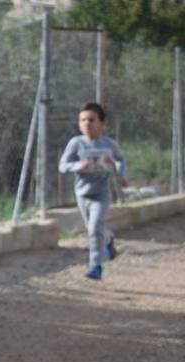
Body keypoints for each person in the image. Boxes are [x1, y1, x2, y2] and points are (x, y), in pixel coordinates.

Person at [58, 102, 128, 280]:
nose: (86, 124)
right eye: (82, 120)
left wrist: (121, 175)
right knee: (93, 227)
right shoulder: (76, 143)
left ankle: (95, 266)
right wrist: (77, 165)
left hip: (102, 193)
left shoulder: (109, 143)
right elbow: (63, 166)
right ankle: (109, 238)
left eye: (91, 120)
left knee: (93, 227)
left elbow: (120, 159)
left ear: (102, 124)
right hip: (82, 193)